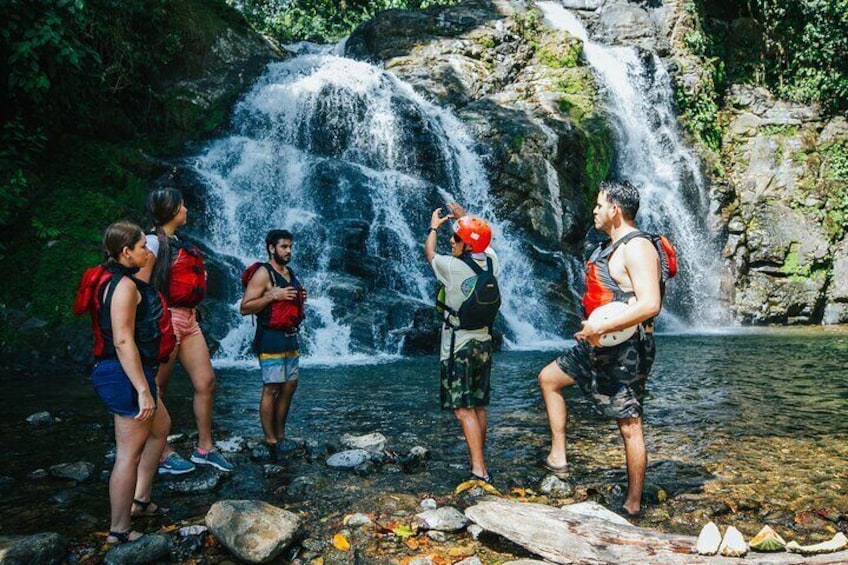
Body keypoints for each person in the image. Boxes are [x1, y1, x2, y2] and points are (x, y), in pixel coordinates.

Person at [538, 180, 662, 517]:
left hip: (624, 349)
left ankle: (633, 503)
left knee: (629, 423)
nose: (593, 211)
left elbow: (651, 304)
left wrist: (601, 327)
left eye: (598, 204)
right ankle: (558, 455)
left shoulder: (637, 248)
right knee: (549, 379)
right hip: (595, 342)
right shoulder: (609, 244)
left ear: (614, 209)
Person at [73, 221, 175, 543]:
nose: (149, 252)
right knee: (127, 454)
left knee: (161, 428)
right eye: (143, 246)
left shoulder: (106, 277)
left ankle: (141, 500)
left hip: (121, 370)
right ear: (126, 251)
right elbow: (122, 341)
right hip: (123, 373)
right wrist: (144, 390)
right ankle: (119, 530)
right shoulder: (125, 286)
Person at [140, 188, 234, 473]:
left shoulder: (179, 242)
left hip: (189, 320)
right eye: (182, 205)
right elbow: (141, 287)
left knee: (206, 382)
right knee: (157, 389)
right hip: (165, 319)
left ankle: (204, 448)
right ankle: (161, 451)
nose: (186, 210)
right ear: (170, 209)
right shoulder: (153, 243)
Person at [425, 202, 500, 484]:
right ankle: (480, 460)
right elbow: (483, 242)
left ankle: (479, 469)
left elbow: (429, 253)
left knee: (462, 408)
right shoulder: (492, 260)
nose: (451, 240)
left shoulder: (451, 266)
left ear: (466, 244)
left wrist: (434, 227)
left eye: (456, 237)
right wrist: (463, 217)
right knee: (479, 405)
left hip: (459, 345)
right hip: (484, 340)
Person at [239, 229, 306, 460]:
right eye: (283, 247)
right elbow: (245, 307)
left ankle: (281, 435)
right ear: (271, 248)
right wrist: (271, 296)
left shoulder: (289, 272)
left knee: (289, 387)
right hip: (270, 338)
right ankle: (270, 439)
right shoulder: (262, 273)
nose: (288, 251)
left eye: (290, 247)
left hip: (290, 336)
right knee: (272, 388)